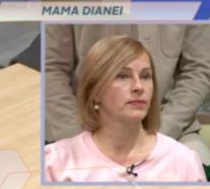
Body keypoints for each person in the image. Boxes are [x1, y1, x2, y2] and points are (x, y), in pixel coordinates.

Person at [45, 36, 206, 182]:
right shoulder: (54, 162)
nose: (139, 87)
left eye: (145, 76)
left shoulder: (184, 161)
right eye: (122, 76)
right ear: (95, 92)